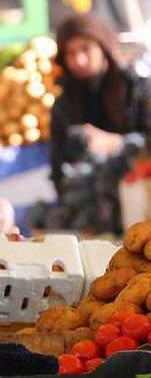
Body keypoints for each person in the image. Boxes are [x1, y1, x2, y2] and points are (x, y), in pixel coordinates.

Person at [45, 13, 151, 233]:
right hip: (87, 217)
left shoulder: (137, 89)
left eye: (85, 49)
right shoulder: (64, 104)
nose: (79, 60)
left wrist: (117, 143)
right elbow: (58, 166)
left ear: (103, 47)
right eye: (71, 53)